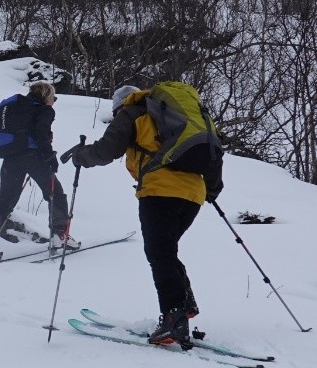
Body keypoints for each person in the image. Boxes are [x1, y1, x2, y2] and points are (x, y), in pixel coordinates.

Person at [63, 84, 222, 348]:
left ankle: (174, 317)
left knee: (160, 253)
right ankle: (183, 304)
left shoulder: (133, 112)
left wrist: (82, 157)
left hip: (160, 191)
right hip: (194, 194)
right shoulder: (181, 117)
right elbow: (214, 152)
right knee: (166, 250)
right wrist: (212, 189)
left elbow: (107, 150)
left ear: (119, 106)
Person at [0, 81, 80, 262]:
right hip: (33, 158)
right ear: (47, 96)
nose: (54, 101)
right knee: (55, 194)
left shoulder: (19, 107)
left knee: (6, 200)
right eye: (54, 97)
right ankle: (60, 236)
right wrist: (50, 158)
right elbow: (41, 133)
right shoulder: (44, 110)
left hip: (10, 158)